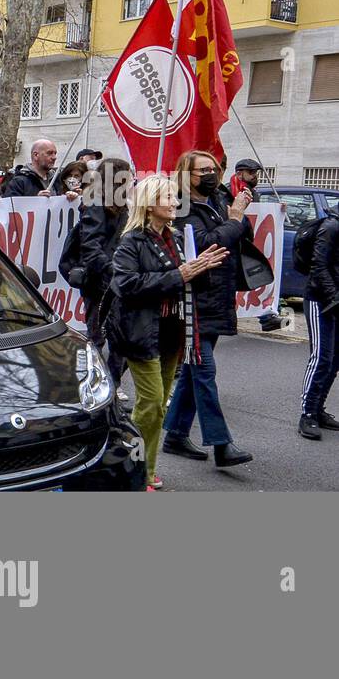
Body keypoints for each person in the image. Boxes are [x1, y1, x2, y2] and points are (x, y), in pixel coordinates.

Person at [110, 175, 229, 490]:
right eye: (168, 198)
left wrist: (201, 268)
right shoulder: (131, 241)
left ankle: (145, 469)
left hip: (173, 331)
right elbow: (125, 285)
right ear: (149, 205)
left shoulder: (176, 238)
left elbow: (186, 282)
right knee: (150, 403)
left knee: (159, 404)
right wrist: (180, 273)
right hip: (141, 332)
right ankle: (128, 466)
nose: (175, 202)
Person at [161, 149, 266, 468]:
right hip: (194, 300)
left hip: (219, 296)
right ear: (185, 175)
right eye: (202, 171)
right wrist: (234, 218)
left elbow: (240, 236)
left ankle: (176, 435)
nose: (211, 175)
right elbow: (206, 244)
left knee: (194, 372)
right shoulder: (180, 206)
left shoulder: (220, 198)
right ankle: (221, 443)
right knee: (204, 371)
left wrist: (238, 214)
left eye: (214, 169)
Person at [76, 157, 132, 385]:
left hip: (117, 277)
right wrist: (111, 271)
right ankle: (95, 383)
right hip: (100, 280)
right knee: (97, 336)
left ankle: (111, 381)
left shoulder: (120, 204)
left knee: (121, 337)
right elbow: (90, 245)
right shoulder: (95, 203)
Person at [298, 202, 339, 439]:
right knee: (321, 358)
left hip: (335, 300)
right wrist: (334, 296)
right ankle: (307, 414)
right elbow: (318, 266)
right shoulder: (331, 226)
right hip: (319, 300)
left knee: (335, 359)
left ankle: (318, 409)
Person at [229, 157, 284, 331]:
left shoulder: (254, 193)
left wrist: (279, 211)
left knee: (257, 277)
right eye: (251, 173)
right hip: (232, 243)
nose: (255, 176)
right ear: (239, 173)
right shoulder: (227, 191)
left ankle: (267, 316)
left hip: (247, 243)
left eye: (256, 173)